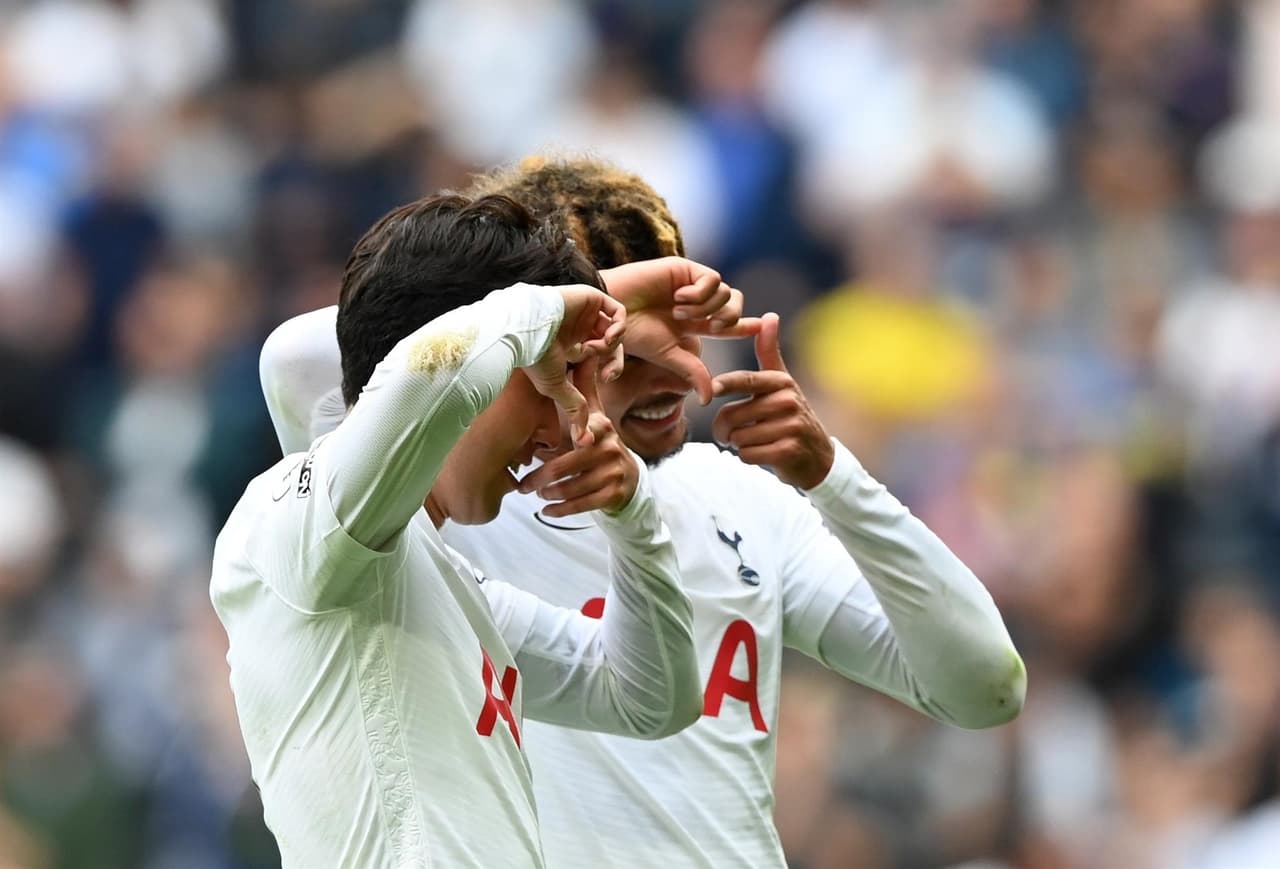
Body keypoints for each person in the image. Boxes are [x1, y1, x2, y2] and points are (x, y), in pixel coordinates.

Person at [260, 159, 1027, 868]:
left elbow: (982, 686)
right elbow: (298, 360)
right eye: (631, 333)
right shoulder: (464, 503)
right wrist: (599, 302)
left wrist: (833, 477)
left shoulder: (740, 499)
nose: (674, 365)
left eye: (683, 316)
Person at [214, 192, 746, 867]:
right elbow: (357, 360)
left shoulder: (453, 591)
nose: (564, 428)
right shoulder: (289, 524)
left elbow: (650, 698)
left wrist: (633, 514)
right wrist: (559, 307)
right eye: (548, 377)